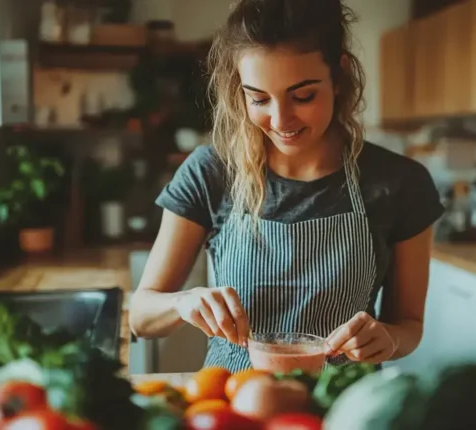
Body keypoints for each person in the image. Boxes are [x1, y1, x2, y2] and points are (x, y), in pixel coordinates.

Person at [129, 0, 444, 373]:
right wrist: (183, 303)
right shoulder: (211, 172)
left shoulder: (400, 183)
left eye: (303, 95)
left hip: (339, 406)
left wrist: (388, 339)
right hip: (233, 403)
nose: (281, 120)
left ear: (339, 76)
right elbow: (141, 317)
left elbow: (409, 326)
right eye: (259, 98)